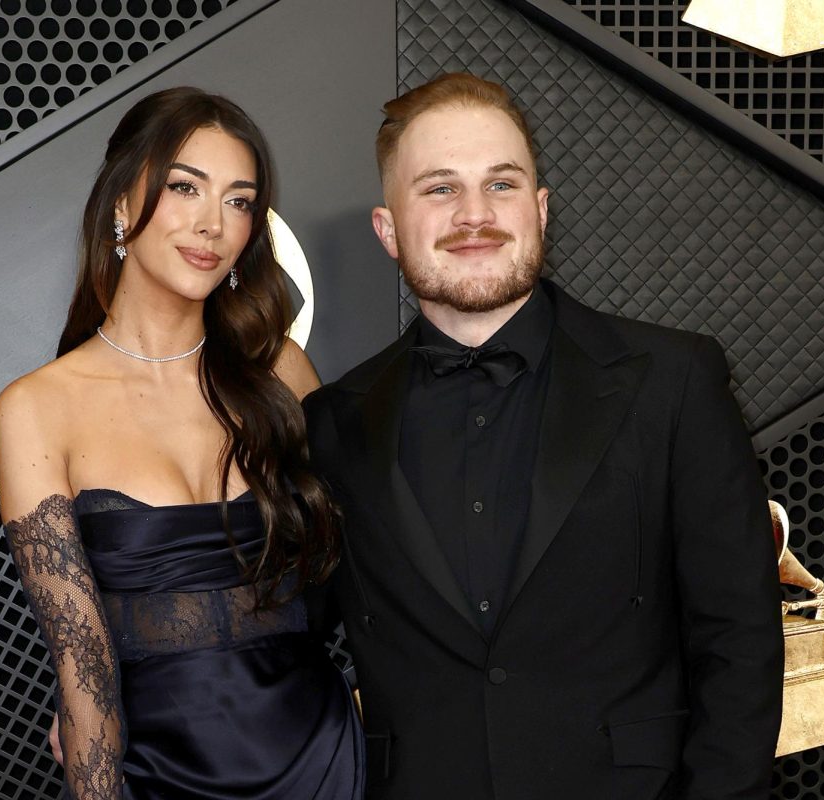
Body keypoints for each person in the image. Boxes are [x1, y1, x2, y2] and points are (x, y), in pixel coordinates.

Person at [302, 73, 783, 799]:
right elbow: (277, 649)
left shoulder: (673, 380)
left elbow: (740, 640)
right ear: (388, 229)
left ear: (541, 209)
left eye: (502, 184)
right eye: (439, 189)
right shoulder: (333, 422)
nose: (475, 214)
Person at [0, 87, 363, 800]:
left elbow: (373, 565)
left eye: (238, 200)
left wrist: (379, 707)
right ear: (122, 207)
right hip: (158, 775)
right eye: (185, 187)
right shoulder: (38, 408)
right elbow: (83, 665)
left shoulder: (280, 372)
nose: (211, 223)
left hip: (323, 760)